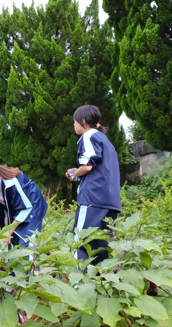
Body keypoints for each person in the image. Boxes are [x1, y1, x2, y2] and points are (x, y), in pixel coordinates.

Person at [66, 104, 121, 267]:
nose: (74, 125)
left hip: (92, 200)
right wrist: (78, 174)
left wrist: (74, 173)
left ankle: (77, 288)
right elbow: (99, 170)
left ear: (83, 121)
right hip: (110, 202)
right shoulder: (106, 141)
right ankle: (102, 286)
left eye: (74, 122)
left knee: (80, 242)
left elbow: (88, 165)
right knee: (101, 247)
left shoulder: (88, 136)